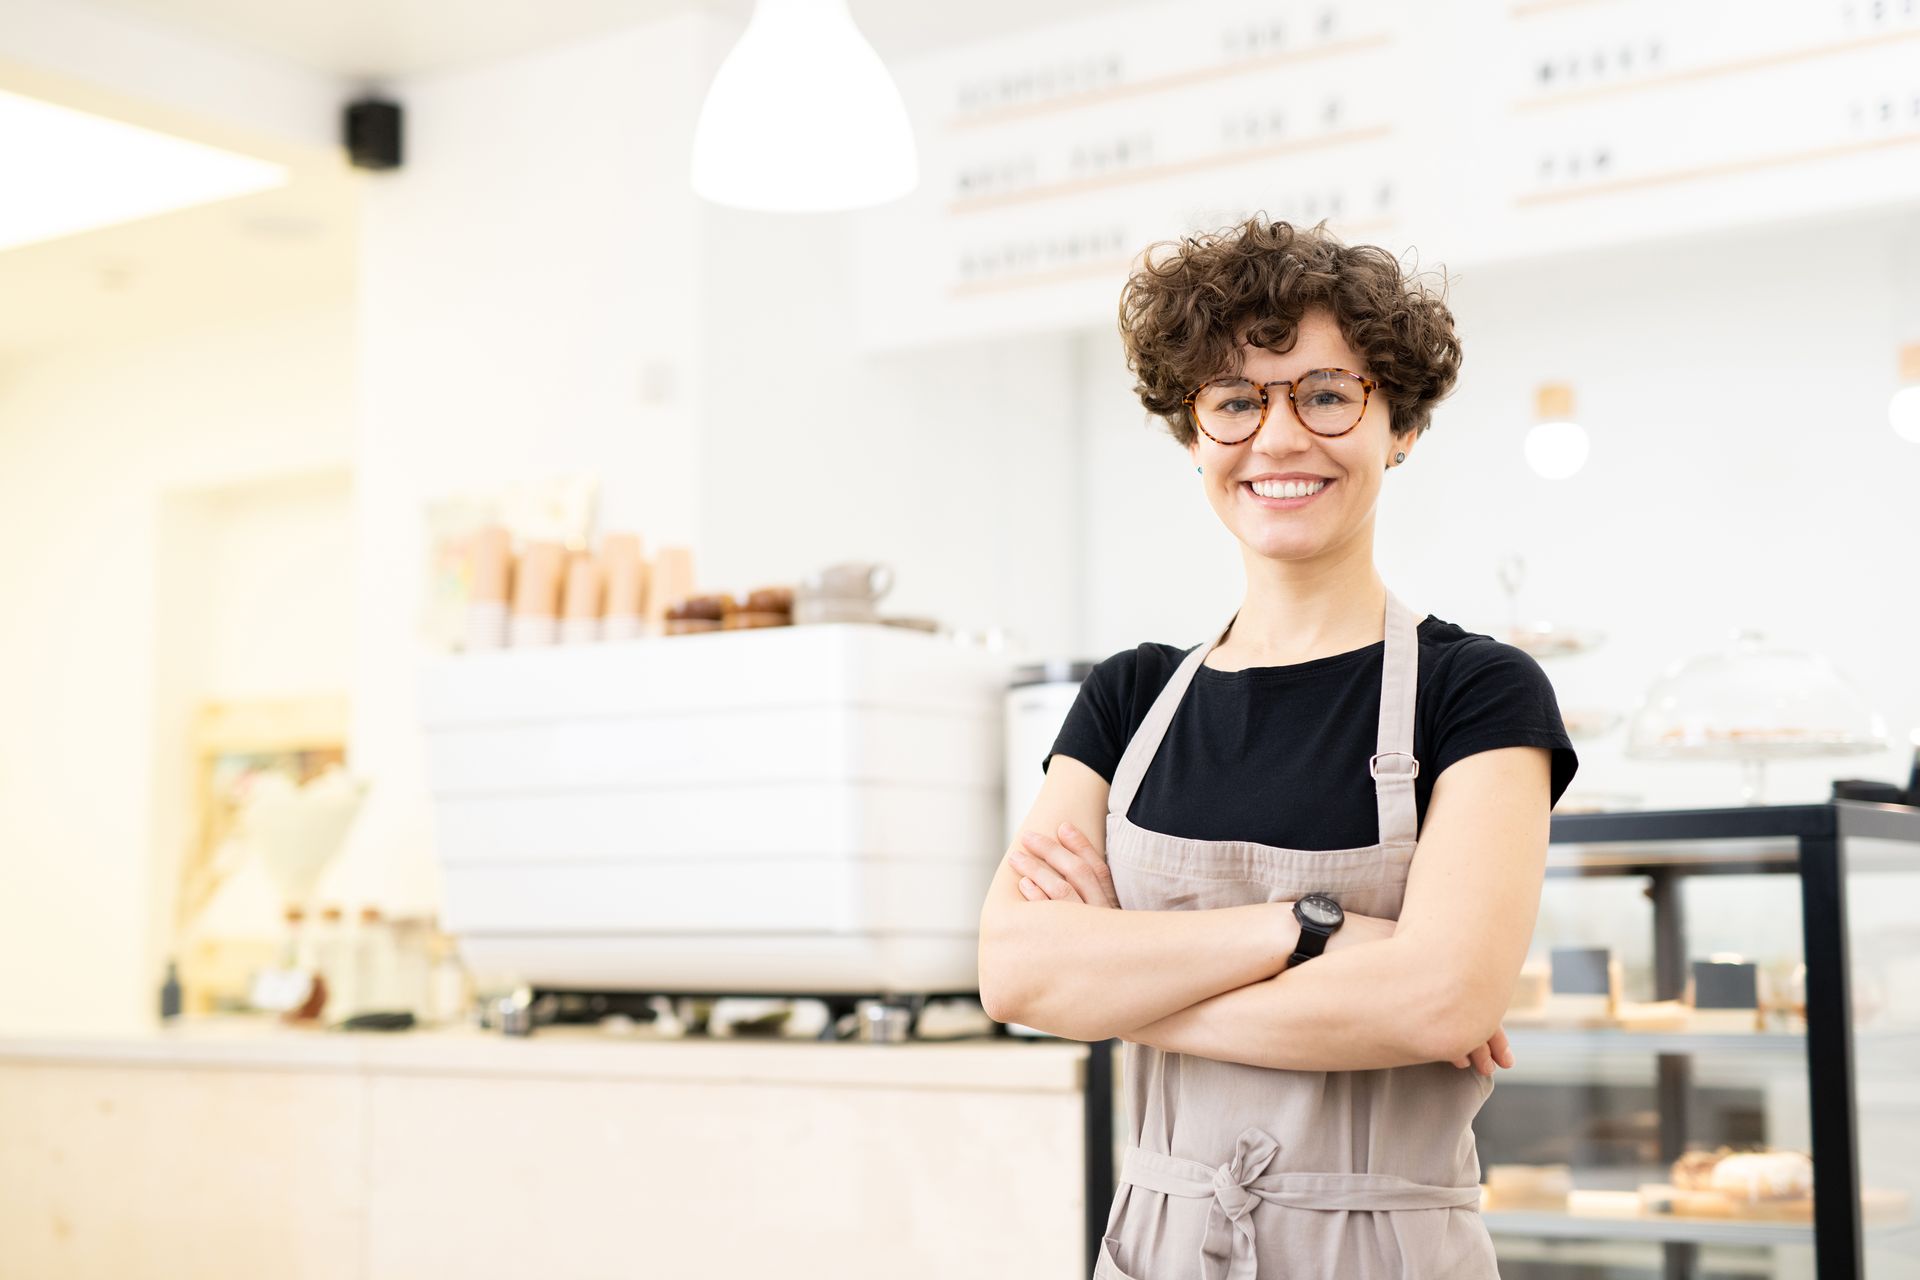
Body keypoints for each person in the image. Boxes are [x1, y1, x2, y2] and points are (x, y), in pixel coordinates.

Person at [976, 216, 1579, 1279]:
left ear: (1399, 424)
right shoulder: (1127, 697)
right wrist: (1311, 932)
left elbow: (1441, 1000)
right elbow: (1017, 973)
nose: (1280, 437)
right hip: (1159, 1244)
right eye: (1237, 400)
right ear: (1195, 433)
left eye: (1328, 393)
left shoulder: (1479, 694)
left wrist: (1130, 993)